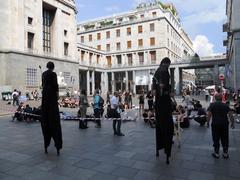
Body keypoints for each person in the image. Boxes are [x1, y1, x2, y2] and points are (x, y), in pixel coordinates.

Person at [152, 57, 174, 164]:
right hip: (163, 104)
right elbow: (156, 83)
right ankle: (165, 148)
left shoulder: (161, 71)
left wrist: (164, 89)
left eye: (167, 65)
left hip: (162, 104)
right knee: (165, 127)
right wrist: (159, 88)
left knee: (162, 126)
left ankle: (163, 148)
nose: (167, 67)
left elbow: (164, 85)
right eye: (167, 65)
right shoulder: (162, 71)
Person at [41, 61, 62, 156]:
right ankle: (57, 146)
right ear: (52, 67)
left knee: (45, 121)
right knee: (54, 122)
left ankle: (46, 146)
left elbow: (43, 85)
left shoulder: (43, 74)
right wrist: (57, 95)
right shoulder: (53, 74)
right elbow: (55, 85)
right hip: (52, 98)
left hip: (45, 97)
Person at [207, 94, 234, 159]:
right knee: (225, 138)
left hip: (215, 124)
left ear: (215, 98)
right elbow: (231, 115)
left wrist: (207, 122)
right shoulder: (225, 105)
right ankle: (225, 153)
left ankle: (216, 153)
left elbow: (209, 115)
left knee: (216, 137)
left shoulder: (212, 105)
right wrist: (232, 123)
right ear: (222, 98)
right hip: (224, 124)